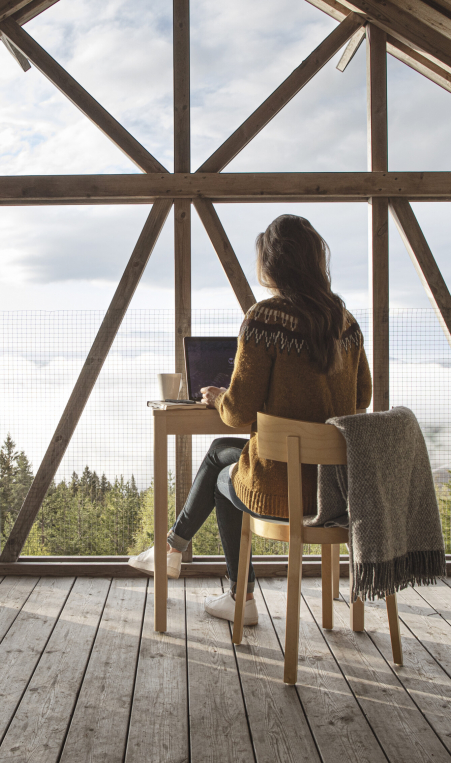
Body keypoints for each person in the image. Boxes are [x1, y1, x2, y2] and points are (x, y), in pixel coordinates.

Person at [129, 214, 372, 624]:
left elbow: (239, 412)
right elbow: (362, 396)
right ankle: (172, 551)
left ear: (272, 264)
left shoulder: (265, 320)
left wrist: (220, 396)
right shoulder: (345, 321)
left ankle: (238, 598)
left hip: (285, 492)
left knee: (227, 482)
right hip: (336, 490)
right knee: (222, 453)